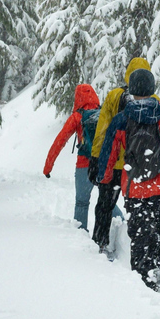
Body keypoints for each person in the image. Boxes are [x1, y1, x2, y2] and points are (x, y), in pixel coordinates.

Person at [97, 68, 160, 290]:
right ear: (152, 88)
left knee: (141, 231)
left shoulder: (122, 120)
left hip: (135, 188)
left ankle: (145, 273)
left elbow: (108, 153)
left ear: (131, 90)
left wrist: (105, 177)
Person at [88, 57, 158, 252]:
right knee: (142, 210)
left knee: (105, 205)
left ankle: (100, 243)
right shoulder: (155, 101)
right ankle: (141, 251)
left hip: (114, 166)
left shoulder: (113, 96)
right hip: (140, 169)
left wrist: (96, 160)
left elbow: (102, 131)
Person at [42, 84, 118, 230]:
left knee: (82, 203)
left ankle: (81, 238)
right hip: (104, 164)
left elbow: (59, 141)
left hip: (84, 166)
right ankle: (120, 228)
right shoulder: (103, 113)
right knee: (108, 200)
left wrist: (48, 168)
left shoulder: (77, 117)